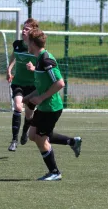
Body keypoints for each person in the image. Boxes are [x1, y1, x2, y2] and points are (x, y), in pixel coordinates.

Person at [23, 29, 82, 181]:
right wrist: (29, 97)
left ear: (33, 43)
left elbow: (60, 83)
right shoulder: (40, 59)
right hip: (44, 107)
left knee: (41, 139)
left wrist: (41, 98)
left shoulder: (46, 60)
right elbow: (44, 84)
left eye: (28, 41)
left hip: (51, 108)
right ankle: (72, 141)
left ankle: (54, 172)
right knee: (32, 135)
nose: (26, 43)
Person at [6, 18, 38, 151]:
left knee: (29, 115)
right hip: (18, 82)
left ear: (33, 32)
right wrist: (9, 69)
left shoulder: (36, 47)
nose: (23, 31)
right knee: (18, 107)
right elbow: (14, 55)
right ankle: (14, 140)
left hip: (33, 86)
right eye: (23, 28)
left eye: (26, 29)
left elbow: (43, 66)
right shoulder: (17, 44)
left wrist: (34, 68)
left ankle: (25, 132)